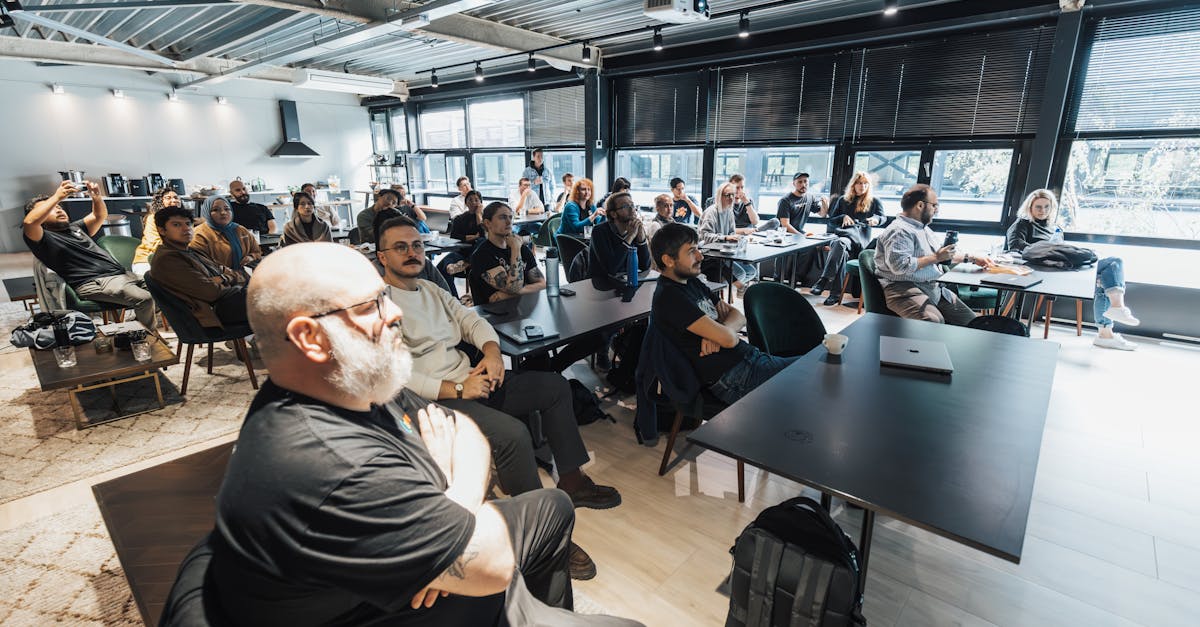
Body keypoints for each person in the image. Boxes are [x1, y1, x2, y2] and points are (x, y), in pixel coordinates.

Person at [199, 243, 637, 626]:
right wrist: (463, 487)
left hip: (425, 552)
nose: (393, 315)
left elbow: (457, 428)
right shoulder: (328, 464)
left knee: (553, 505)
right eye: (371, 306)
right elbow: (492, 561)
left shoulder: (353, 385)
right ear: (310, 337)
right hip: (396, 612)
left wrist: (450, 491)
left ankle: (534, 609)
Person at [377, 217, 620, 573]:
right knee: (513, 434)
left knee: (553, 387)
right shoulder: (379, 306)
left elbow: (472, 321)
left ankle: (571, 480)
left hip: (470, 379)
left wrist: (492, 353)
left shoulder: (431, 290)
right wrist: (459, 388)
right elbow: (397, 374)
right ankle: (541, 533)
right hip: (433, 402)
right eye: (401, 247)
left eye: (416, 245)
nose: (412, 253)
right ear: (382, 257)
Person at [650, 223, 800, 405]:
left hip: (749, 360)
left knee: (821, 366)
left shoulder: (691, 282)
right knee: (816, 370)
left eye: (698, 249)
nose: (700, 256)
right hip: (734, 377)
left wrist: (720, 331)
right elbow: (730, 340)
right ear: (668, 260)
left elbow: (738, 316)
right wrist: (723, 334)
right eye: (691, 252)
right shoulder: (670, 297)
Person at [1006, 189, 1140, 350]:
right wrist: (1046, 252)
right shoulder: (1022, 224)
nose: (1043, 211)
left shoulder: (1055, 228)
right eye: (1038, 207)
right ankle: (1110, 324)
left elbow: (1060, 250)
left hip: (1062, 266)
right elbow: (1015, 247)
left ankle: (1108, 329)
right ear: (1030, 208)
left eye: (1047, 207)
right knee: (1109, 269)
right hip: (1040, 271)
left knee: (1111, 267)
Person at [22, 180, 155, 329]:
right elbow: (30, 222)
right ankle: (150, 339)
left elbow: (99, 215)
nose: (58, 209)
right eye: (51, 208)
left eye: (59, 207)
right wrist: (57, 197)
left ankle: (136, 330)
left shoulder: (75, 228)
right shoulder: (42, 238)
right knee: (145, 299)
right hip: (96, 281)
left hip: (122, 275)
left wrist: (96, 196)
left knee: (163, 291)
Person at [874, 184, 992, 325]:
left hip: (933, 287)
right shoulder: (900, 231)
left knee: (973, 323)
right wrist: (936, 258)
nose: (936, 210)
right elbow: (899, 266)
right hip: (903, 288)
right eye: (934, 205)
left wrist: (971, 257)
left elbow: (943, 255)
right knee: (932, 321)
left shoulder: (924, 229)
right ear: (920, 205)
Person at [148, 206, 248, 327]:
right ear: (162, 230)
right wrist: (231, 279)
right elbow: (211, 292)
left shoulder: (193, 251)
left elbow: (238, 274)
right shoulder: (168, 259)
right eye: (176, 225)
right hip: (215, 311)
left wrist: (223, 279)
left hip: (230, 299)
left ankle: (261, 340)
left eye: (188, 224)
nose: (186, 229)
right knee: (271, 300)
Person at [811, 171, 886, 306]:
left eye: (865, 183)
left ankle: (824, 280)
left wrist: (875, 219)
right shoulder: (843, 200)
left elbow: (883, 218)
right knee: (840, 246)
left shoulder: (874, 201)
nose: (862, 186)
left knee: (838, 244)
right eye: (859, 183)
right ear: (853, 184)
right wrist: (843, 217)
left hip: (860, 240)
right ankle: (834, 295)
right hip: (843, 238)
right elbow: (831, 221)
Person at [471, 202, 546, 304]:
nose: (508, 222)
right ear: (488, 223)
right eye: (502, 217)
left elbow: (542, 284)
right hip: (494, 314)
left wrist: (507, 294)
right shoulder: (482, 255)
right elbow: (513, 288)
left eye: (511, 217)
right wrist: (515, 249)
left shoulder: (523, 249)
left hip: (521, 308)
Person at [698, 182, 758, 297]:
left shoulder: (729, 211)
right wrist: (725, 237)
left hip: (724, 252)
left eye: (732, 194)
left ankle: (737, 289)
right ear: (720, 196)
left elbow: (731, 231)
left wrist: (736, 238)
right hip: (709, 255)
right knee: (739, 273)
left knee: (751, 271)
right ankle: (738, 289)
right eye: (727, 195)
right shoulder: (712, 212)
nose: (731, 198)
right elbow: (704, 236)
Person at [588, 192, 651, 291]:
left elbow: (645, 266)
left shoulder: (634, 230)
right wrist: (629, 237)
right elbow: (611, 269)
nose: (632, 209)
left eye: (632, 205)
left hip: (626, 284)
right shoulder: (599, 231)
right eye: (626, 206)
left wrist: (641, 239)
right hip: (603, 288)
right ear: (613, 214)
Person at [192, 196, 263, 272]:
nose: (223, 213)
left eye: (227, 209)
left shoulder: (240, 229)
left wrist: (251, 257)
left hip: (243, 277)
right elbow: (203, 265)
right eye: (215, 210)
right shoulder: (199, 235)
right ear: (206, 212)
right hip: (218, 280)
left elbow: (257, 251)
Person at [132, 187, 183, 277]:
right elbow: (154, 243)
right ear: (160, 202)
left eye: (176, 197)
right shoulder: (153, 218)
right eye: (168, 198)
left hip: (171, 259)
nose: (174, 200)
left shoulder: (182, 220)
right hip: (146, 260)